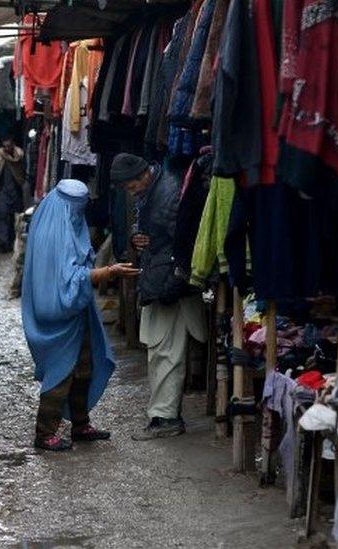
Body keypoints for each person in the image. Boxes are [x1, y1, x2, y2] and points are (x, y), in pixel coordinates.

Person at [21, 179, 139, 451]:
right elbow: (65, 283)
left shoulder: (66, 223)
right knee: (61, 371)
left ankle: (80, 423)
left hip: (77, 311)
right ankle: (44, 432)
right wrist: (107, 273)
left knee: (85, 367)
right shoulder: (54, 234)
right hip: (57, 315)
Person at [111, 153, 206, 440]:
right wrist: (138, 237)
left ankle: (165, 417)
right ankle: (163, 413)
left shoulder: (166, 194)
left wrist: (173, 284)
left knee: (165, 350)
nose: (132, 192)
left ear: (142, 176)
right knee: (163, 349)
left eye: (131, 187)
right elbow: (159, 234)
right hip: (164, 278)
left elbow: (183, 243)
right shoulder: (158, 189)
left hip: (169, 282)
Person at [0, 136, 26, 253]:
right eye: (5, 146)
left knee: (14, 217)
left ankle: (12, 241)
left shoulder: (19, 155)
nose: (7, 148)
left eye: (9, 146)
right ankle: (3, 241)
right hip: (2, 191)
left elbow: (21, 172)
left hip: (15, 189)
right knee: (2, 215)